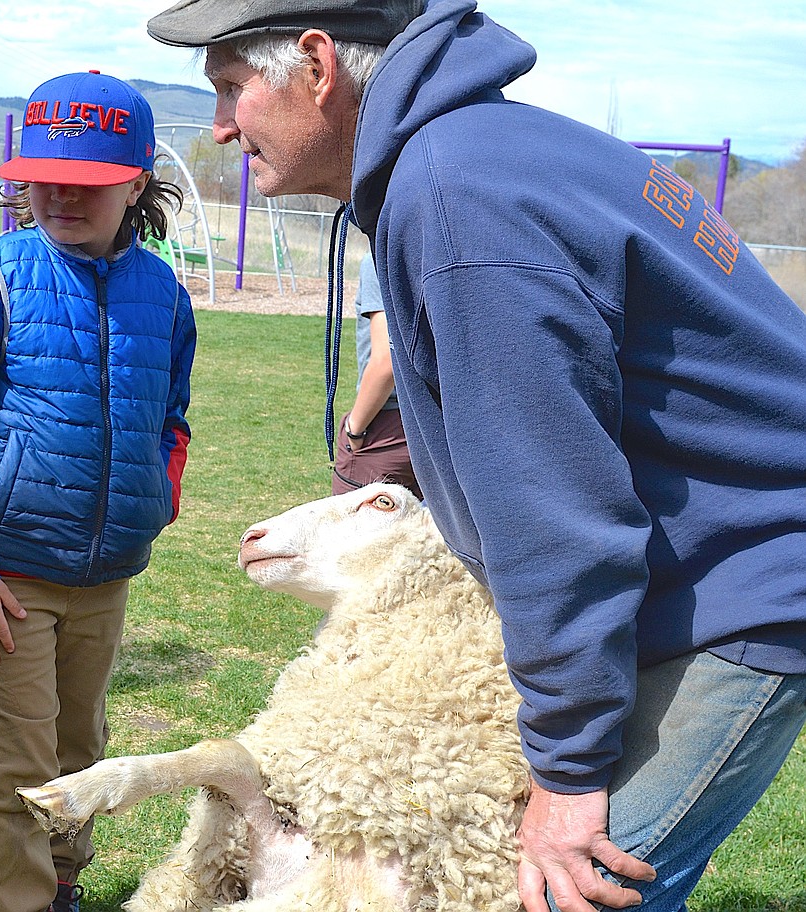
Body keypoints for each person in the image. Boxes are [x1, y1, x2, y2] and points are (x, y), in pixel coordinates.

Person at [145, 1, 806, 911]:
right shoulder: (482, 155)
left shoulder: (461, 200)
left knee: (571, 892)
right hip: (694, 576)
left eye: (230, 89)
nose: (220, 126)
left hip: (740, 586)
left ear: (316, 64)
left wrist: (569, 776)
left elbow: (551, 508)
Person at [0, 70, 196, 912]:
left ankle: (62, 883)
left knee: (82, 751)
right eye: (45, 175)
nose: (63, 194)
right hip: (9, 581)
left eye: (92, 181)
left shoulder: (166, 297)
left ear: (137, 180)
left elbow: (171, 420)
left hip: (107, 577)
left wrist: (157, 495)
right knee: (21, 766)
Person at [332, 250, 419, 497]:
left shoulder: (381, 256)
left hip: (385, 428)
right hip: (439, 423)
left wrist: (354, 429)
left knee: (349, 532)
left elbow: (385, 362)